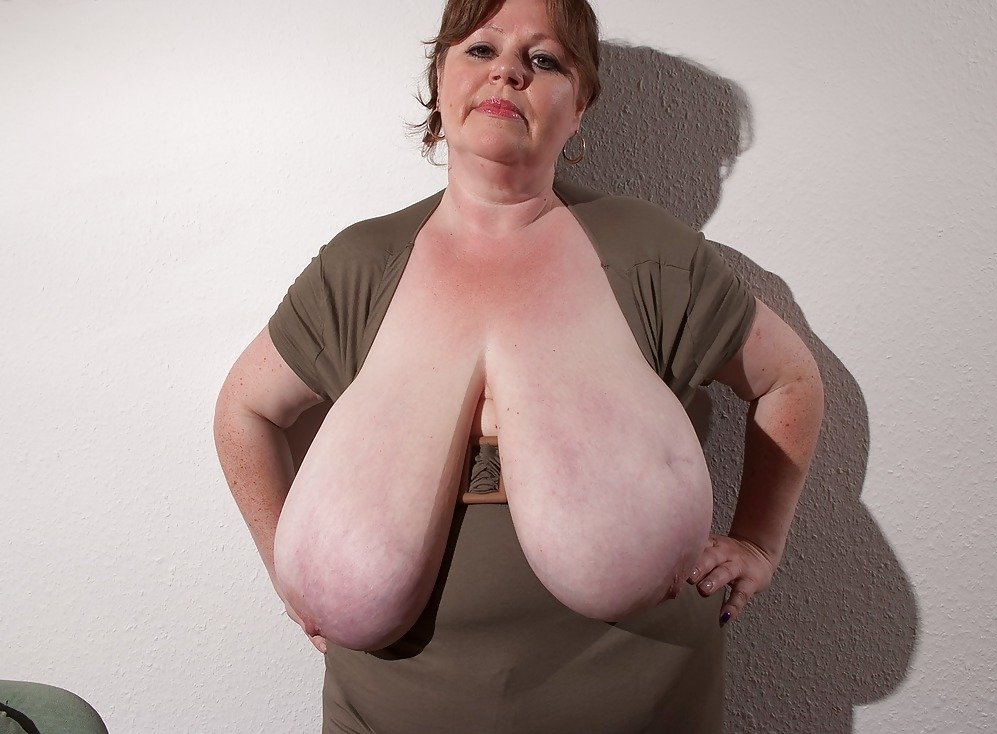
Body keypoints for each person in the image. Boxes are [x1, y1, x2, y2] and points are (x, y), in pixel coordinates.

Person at [213, 0, 824, 731]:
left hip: (639, 695)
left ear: (580, 104)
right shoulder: (360, 266)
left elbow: (789, 380)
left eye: (544, 59)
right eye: (481, 49)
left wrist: (758, 542)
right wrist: (290, 569)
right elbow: (244, 409)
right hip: (390, 707)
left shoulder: (649, 255)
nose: (508, 71)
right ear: (439, 80)